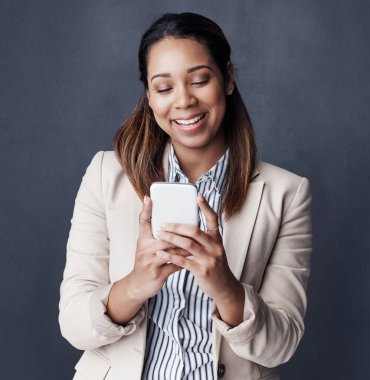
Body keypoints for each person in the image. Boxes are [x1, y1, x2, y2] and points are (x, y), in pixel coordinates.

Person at [59, 12, 312, 380]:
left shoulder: (286, 194)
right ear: (149, 97)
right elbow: (73, 325)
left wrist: (226, 289)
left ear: (227, 78)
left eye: (198, 80)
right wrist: (134, 285)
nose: (184, 101)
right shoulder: (105, 176)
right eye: (164, 88)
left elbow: (281, 345)